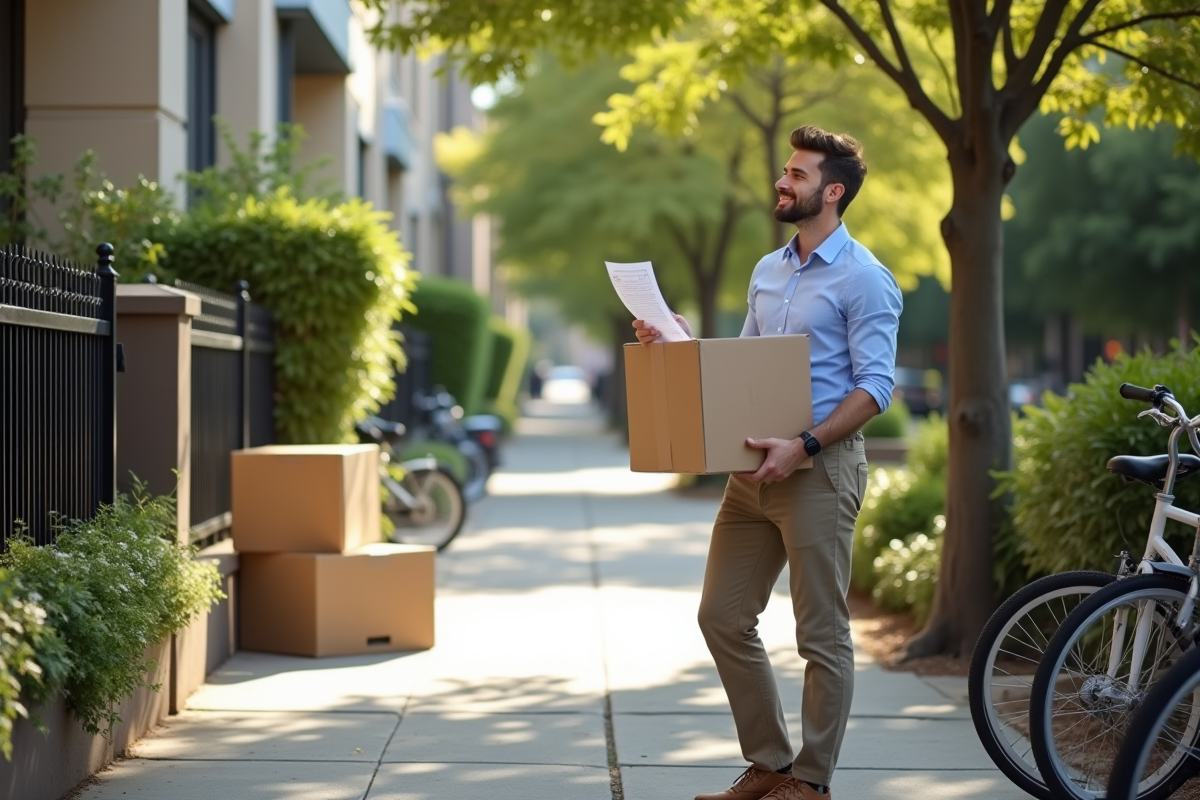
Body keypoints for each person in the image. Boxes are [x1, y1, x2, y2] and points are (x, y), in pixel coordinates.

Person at [632, 125, 903, 800]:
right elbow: (746, 366)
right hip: (750, 473)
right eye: (785, 170)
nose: (783, 181)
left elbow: (876, 387)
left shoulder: (865, 278)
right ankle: (769, 764)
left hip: (819, 468)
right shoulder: (768, 269)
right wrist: (683, 342)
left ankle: (809, 785)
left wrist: (804, 444)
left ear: (832, 191)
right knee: (721, 615)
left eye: (798, 174)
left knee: (820, 635)